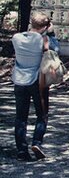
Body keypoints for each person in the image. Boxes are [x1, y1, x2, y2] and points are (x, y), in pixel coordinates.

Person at [12, 11, 59, 161]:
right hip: (37, 80)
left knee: (21, 117)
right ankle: (37, 142)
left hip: (19, 79)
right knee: (42, 114)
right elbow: (56, 50)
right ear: (45, 26)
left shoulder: (16, 38)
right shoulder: (43, 39)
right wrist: (51, 34)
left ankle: (21, 150)